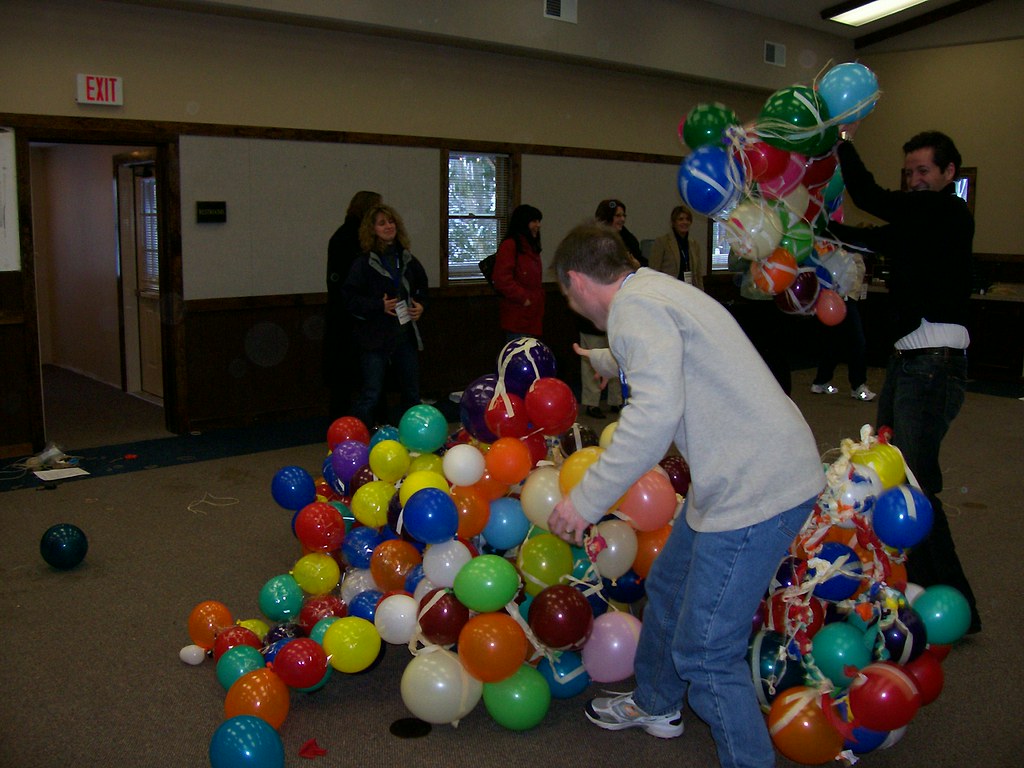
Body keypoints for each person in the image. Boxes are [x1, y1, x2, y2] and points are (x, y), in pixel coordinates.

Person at [547, 222, 824, 768]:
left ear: (577, 281)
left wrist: (584, 501)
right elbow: (678, 353)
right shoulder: (653, 289)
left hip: (755, 486)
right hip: (741, 473)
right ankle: (657, 703)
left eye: (565, 296)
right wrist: (609, 360)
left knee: (705, 649)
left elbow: (652, 420)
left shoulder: (635, 311)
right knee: (670, 584)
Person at [828, 124, 980, 633]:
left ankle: (955, 602)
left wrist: (840, 144)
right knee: (892, 474)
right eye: (909, 172)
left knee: (914, 483)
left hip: (933, 363)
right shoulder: (922, 221)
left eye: (923, 171)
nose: (914, 180)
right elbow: (874, 238)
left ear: (948, 173)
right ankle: (911, 588)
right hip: (909, 360)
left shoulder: (947, 212)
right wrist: (821, 232)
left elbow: (869, 197)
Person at [343, 203, 428, 430]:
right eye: (382, 223)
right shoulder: (363, 263)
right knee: (371, 393)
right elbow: (349, 299)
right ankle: (357, 439)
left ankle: (417, 437)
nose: (388, 226)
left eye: (391, 222)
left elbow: (422, 286)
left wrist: (420, 304)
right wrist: (376, 305)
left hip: (403, 336)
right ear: (372, 230)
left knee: (412, 392)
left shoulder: (407, 258)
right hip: (374, 338)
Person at [325, 190, 382, 419]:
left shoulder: (345, 236)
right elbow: (346, 285)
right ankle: (350, 423)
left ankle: (345, 421)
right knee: (360, 378)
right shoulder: (353, 239)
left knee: (351, 379)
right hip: (353, 317)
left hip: (350, 316)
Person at [579, 199, 637, 418]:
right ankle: (592, 402)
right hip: (594, 307)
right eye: (617, 215)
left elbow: (638, 267)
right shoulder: (590, 241)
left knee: (616, 350)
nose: (621, 219)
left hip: (620, 307)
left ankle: (616, 399)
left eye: (624, 215)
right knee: (593, 353)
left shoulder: (628, 240)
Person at [810, 249, 876, 401]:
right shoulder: (846, 255)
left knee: (834, 342)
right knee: (857, 344)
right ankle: (858, 386)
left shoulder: (843, 254)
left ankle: (821, 381)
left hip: (841, 300)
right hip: (844, 300)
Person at [492, 204, 544, 341]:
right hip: (517, 316)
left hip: (532, 316)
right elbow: (502, 280)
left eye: (539, 221)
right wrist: (524, 298)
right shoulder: (510, 245)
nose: (538, 225)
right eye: (534, 221)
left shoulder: (531, 247)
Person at [649, 204, 705, 290]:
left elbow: (698, 274)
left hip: (690, 289)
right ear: (674, 222)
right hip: (668, 289)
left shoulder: (694, 244)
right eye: (680, 219)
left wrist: (701, 294)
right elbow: (654, 270)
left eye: (687, 219)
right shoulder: (662, 242)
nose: (685, 222)